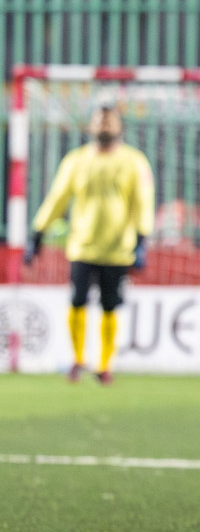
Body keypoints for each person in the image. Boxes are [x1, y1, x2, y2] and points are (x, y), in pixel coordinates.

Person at [23, 99, 154, 385]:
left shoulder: (134, 162)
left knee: (110, 305)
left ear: (119, 125)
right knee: (77, 300)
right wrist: (38, 233)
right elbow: (57, 198)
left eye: (109, 120)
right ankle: (77, 359)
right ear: (90, 125)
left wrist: (141, 239)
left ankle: (105, 365)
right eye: (99, 119)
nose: (103, 125)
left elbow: (143, 202)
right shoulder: (76, 160)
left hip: (118, 249)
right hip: (82, 246)